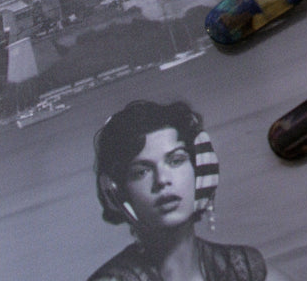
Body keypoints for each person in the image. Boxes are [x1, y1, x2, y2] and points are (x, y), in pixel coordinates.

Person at [88, 99, 289, 281]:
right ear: (117, 193)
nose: (162, 180)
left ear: (200, 170)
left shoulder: (241, 267)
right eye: (142, 172)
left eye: (176, 161)